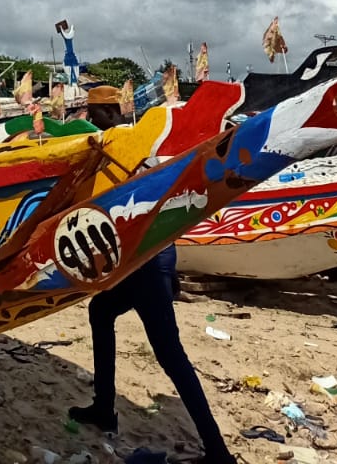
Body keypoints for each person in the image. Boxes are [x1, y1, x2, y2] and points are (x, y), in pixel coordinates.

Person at [68, 86, 237, 464]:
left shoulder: (128, 147)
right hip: (146, 258)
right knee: (101, 312)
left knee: (170, 354)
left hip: (146, 261)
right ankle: (104, 407)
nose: (90, 120)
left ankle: (218, 452)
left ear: (110, 113)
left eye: (94, 113)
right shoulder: (141, 149)